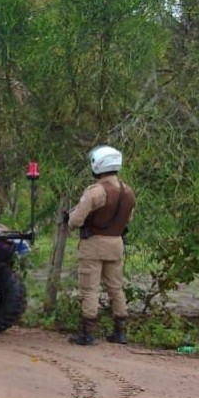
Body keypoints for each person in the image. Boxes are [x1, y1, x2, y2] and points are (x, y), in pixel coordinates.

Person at [66, 145, 136, 346]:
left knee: (90, 289)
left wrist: (70, 218)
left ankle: (88, 333)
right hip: (116, 243)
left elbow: (76, 220)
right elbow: (127, 219)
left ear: (98, 164)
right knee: (116, 288)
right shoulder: (128, 191)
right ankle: (120, 332)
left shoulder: (96, 192)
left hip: (94, 245)